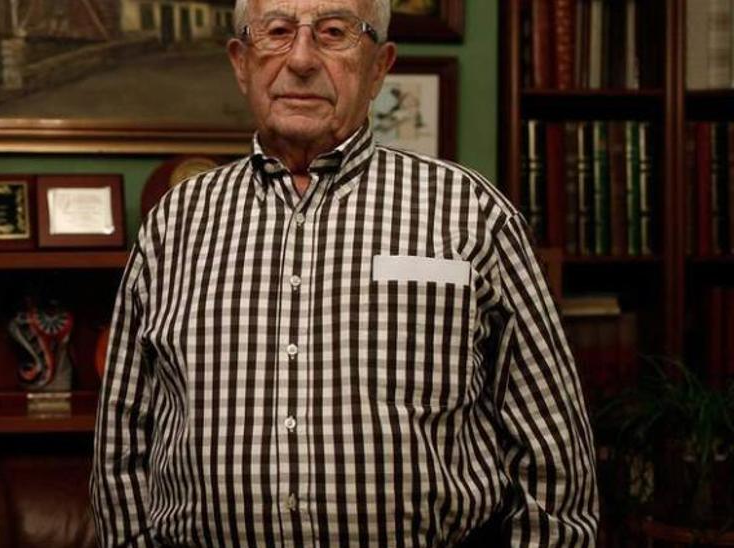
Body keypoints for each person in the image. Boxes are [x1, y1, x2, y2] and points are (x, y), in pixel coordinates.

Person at [90, 0, 599, 546]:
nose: (302, 58)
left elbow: (552, 454)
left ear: (379, 65)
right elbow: (123, 444)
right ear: (241, 62)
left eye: (334, 32)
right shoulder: (176, 223)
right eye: (277, 31)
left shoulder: (472, 214)